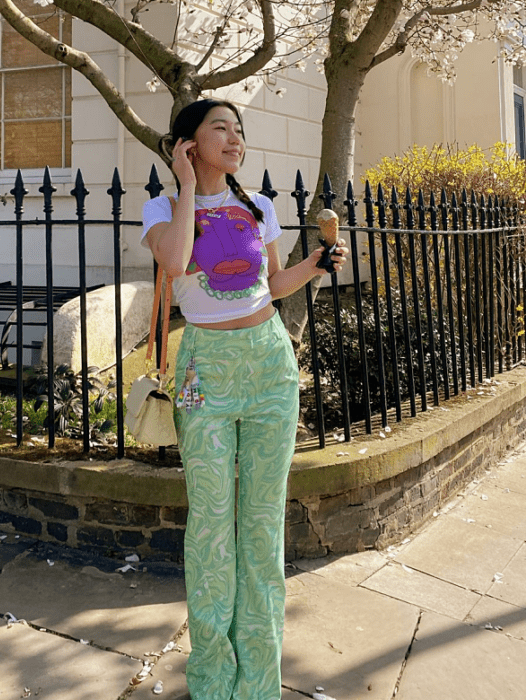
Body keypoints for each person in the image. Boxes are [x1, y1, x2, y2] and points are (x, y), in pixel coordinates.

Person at [141, 98, 348, 700]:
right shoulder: (162, 207)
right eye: (219, 129)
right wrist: (185, 186)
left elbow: (272, 285)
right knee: (211, 525)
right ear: (188, 143)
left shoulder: (259, 206)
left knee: (260, 526)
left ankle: (257, 683)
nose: (234, 139)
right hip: (206, 368)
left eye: (239, 130)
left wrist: (314, 264)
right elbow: (176, 261)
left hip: (268, 366)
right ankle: (211, 680)